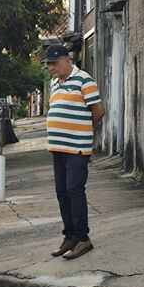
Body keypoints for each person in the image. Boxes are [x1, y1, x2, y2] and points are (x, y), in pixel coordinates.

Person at [45, 44, 105, 260]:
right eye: (48, 65)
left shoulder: (84, 80)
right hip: (58, 147)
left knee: (74, 190)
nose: (51, 68)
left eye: (53, 63)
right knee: (61, 192)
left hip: (77, 147)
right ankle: (70, 235)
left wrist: (84, 132)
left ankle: (82, 238)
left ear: (66, 60)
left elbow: (98, 111)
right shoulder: (54, 83)